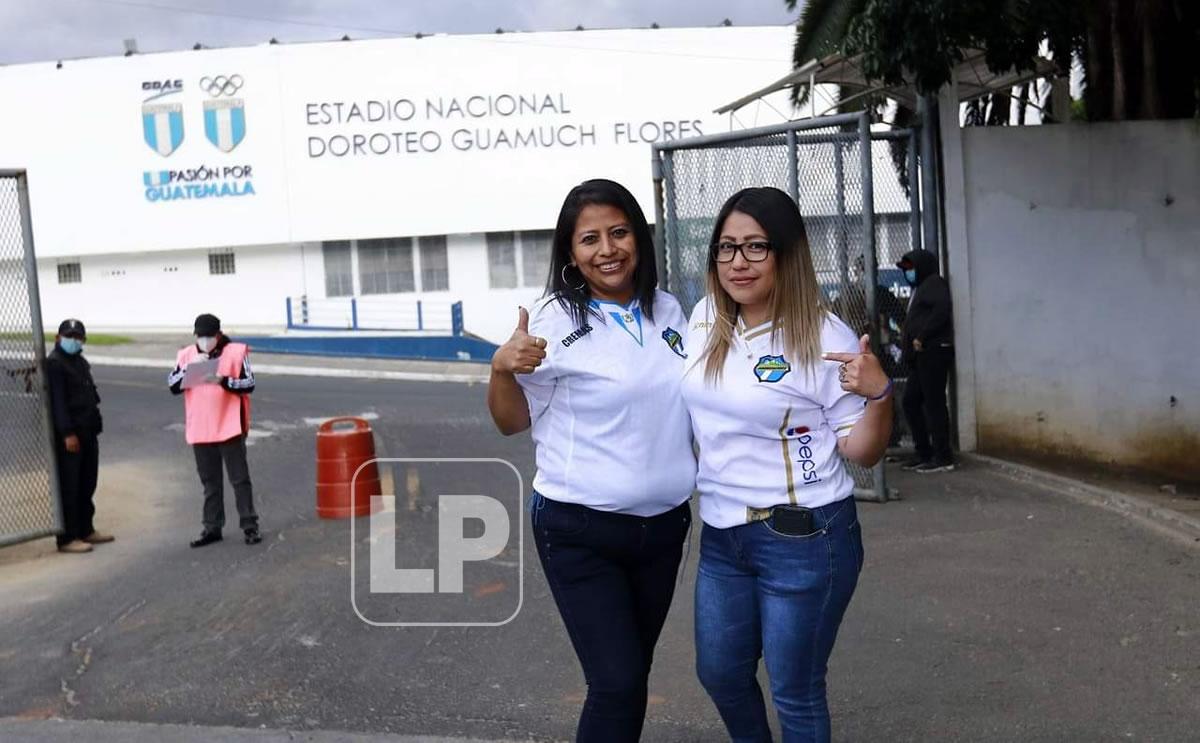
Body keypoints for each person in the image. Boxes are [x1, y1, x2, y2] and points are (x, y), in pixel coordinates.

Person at [486, 179, 695, 742]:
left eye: (619, 232)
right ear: (571, 254)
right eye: (590, 239)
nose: (608, 249)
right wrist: (502, 368)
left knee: (631, 678)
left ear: (640, 238)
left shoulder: (670, 309)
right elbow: (511, 422)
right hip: (581, 528)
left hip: (665, 527)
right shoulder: (554, 320)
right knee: (617, 683)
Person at [681, 187, 893, 742]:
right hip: (723, 535)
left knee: (795, 691)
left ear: (787, 253)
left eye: (755, 247)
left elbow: (863, 451)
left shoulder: (824, 336)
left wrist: (880, 395)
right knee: (721, 674)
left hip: (803, 536)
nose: (738, 262)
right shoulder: (705, 319)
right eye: (726, 248)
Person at [167, 313, 261, 547]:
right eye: (200, 336)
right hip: (200, 427)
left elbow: (249, 383)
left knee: (239, 479)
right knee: (210, 482)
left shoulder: (235, 353)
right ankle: (212, 527)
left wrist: (224, 381)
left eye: (209, 336)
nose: (205, 340)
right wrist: (189, 369)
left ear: (218, 335)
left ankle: (250, 526)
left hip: (229, 425)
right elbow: (172, 385)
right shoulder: (187, 355)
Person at [45, 318, 114, 554]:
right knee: (70, 486)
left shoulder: (79, 361)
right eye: (69, 336)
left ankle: (86, 528)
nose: (73, 341)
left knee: (87, 483)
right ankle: (67, 537)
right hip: (71, 435)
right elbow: (58, 403)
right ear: (58, 338)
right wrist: (67, 433)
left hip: (88, 431)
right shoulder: (55, 364)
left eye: (77, 337)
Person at [896, 249, 955, 473]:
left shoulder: (934, 284)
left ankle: (943, 456)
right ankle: (924, 452)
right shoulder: (921, 288)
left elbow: (941, 310)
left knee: (934, 403)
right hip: (922, 355)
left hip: (933, 352)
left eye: (911, 268)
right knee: (911, 402)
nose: (908, 273)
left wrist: (922, 336)